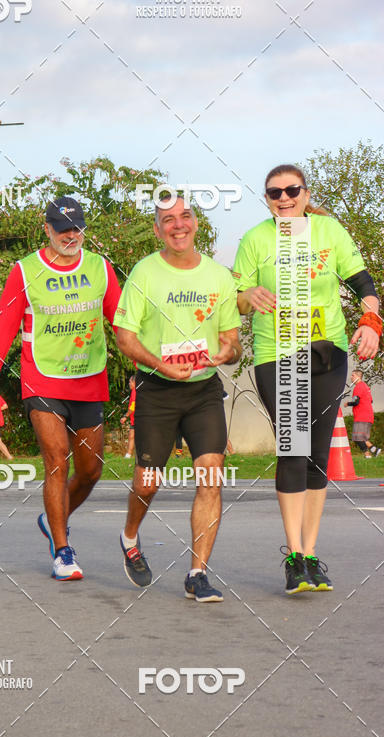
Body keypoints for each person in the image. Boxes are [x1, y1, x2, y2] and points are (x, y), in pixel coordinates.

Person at [234, 164, 381, 594]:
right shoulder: (256, 239)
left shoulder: (329, 231)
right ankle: (294, 555)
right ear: (266, 198)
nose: (283, 198)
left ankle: (311, 554)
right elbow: (235, 299)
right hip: (277, 354)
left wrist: (372, 319)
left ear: (304, 192)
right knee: (294, 447)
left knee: (317, 454)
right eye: (273, 192)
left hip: (328, 354)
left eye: (291, 190)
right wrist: (246, 297)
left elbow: (363, 283)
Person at [0, 196, 121, 580]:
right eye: (62, 229)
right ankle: (62, 551)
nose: (71, 236)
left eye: (77, 229)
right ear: (47, 230)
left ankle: (52, 515)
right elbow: (2, 331)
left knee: (91, 471)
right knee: (57, 459)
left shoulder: (101, 269)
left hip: (89, 379)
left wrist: (146, 367)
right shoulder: (25, 272)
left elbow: (122, 324)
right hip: (42, 380)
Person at [114, 195, 242, 601]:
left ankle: (196, 575)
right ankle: (130, 535)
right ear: (157, 231)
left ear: (196, 223)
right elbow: (124, 337)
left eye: (184, 216)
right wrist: (160, 365)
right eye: (167, 220)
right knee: (148, 483)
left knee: (209, 475)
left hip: (203, 389)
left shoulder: (219, 277)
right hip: (157, 388)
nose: (178, 225)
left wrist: (226, 354)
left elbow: (233, 343)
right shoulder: (144, 273)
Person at [345, 370, 381, 458]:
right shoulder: (365, 386)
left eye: (352, 375)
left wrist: (347, 403)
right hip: (367, 416)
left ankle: (372, 451)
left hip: (362, 416)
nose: (351, 377)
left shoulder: (358, 387)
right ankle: (370, 452)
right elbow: (371, 400)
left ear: (358, 376)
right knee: (360, 437)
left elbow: (356, 402)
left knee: (358, 437)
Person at [120, 374, 136, 458]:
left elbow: (132, 407)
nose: (129, 383)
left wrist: (125, 416)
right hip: (135, 420)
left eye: (130, 382)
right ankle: (128, 455)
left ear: (135, 382)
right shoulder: (134, 391)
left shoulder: (135, 391)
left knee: (135, 437)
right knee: (131, 436)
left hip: (139, 419)